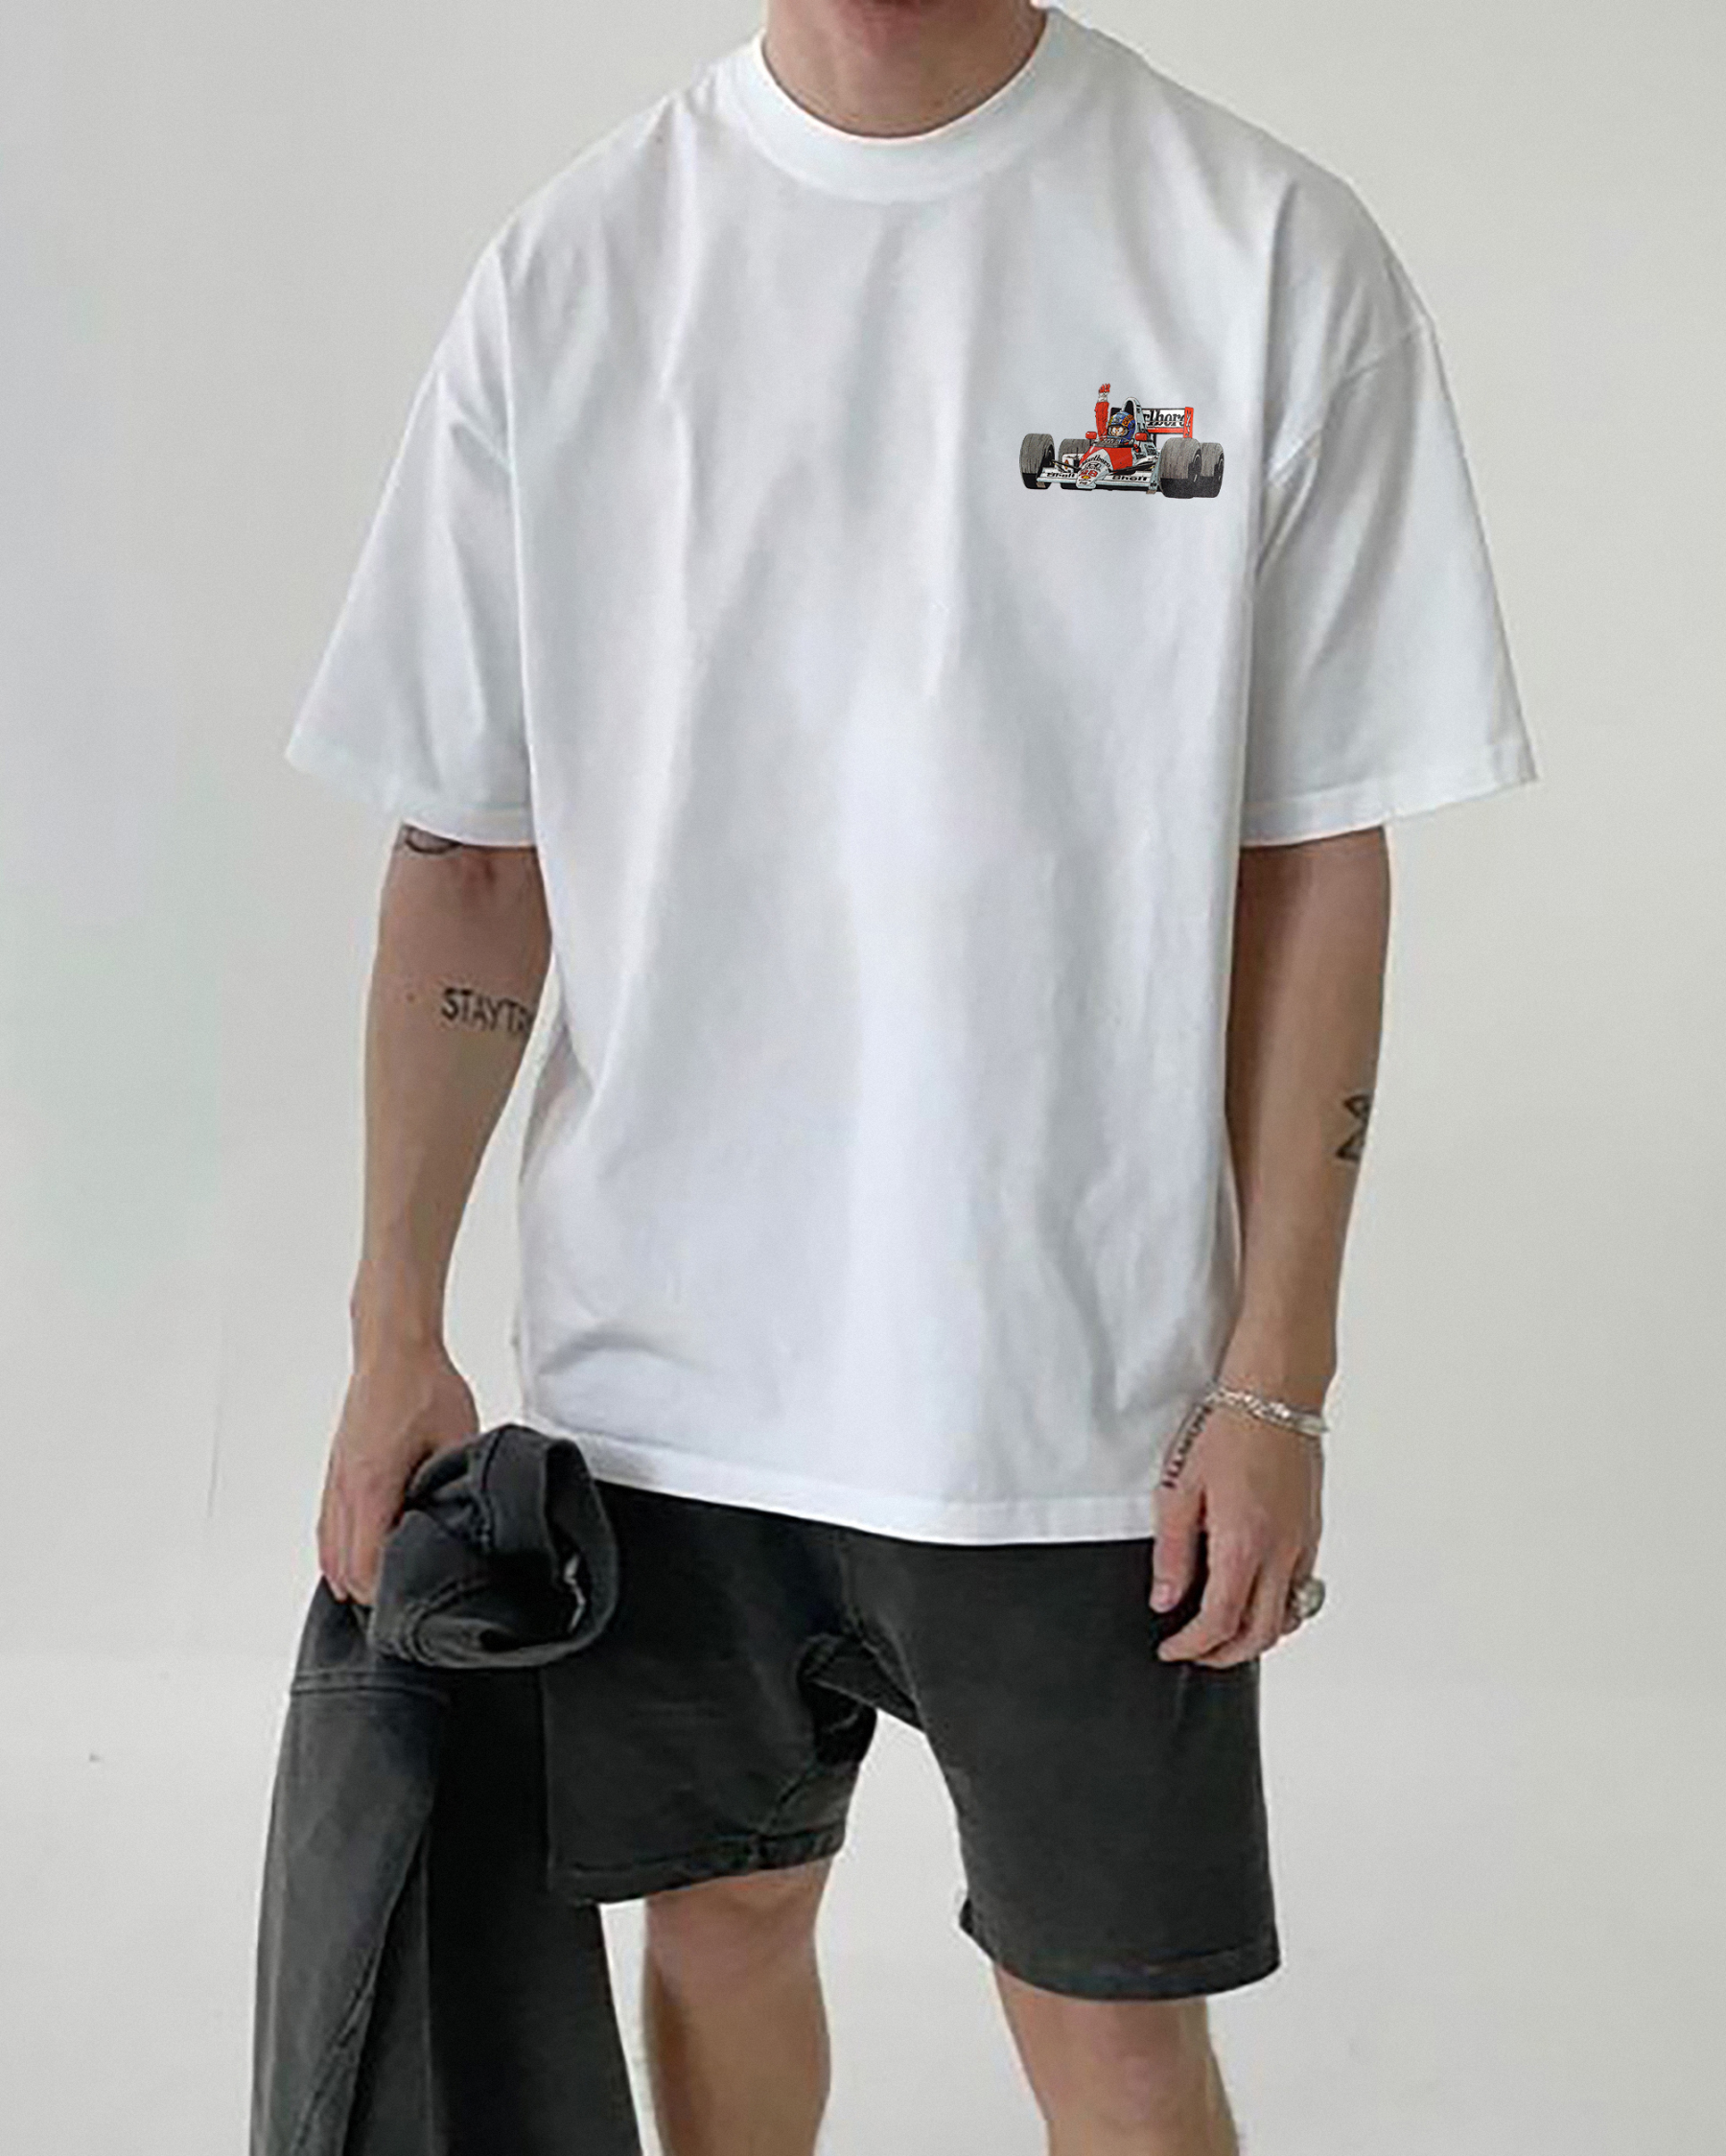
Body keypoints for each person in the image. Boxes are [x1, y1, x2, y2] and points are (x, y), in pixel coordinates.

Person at [282, 3, 1538, 2151]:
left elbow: (1316, 859)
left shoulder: (1253, 248)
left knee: (1112, 2030)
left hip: (1079, 1402)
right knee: (717, 1927)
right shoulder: (577, 269)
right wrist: (393, 1317)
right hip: (665, 1382)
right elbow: (474, 854)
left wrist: (1278, 1376)